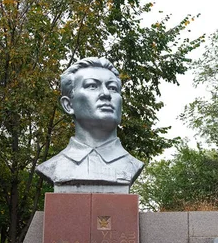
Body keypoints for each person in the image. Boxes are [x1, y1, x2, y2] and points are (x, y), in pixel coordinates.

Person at [36, 57, 144, 193]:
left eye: (112, 88)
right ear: (68, 105)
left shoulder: (131, 165)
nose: (106, 94)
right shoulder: (55, 167)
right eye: (92, 86)